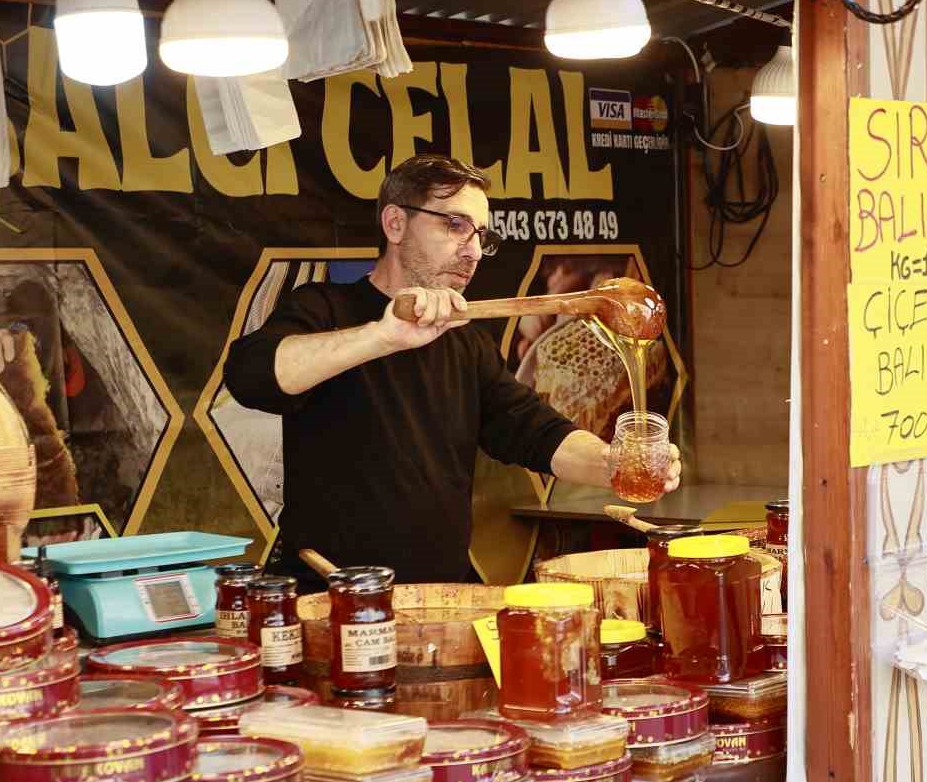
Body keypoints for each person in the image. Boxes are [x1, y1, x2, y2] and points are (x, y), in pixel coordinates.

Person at [225, 155, 680, 584]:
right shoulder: (324, 309)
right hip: (335, 599)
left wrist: (612, 464)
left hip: (441, 597)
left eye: (481, 234)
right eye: (456, 226)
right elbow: (252, 375)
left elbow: (533, 430)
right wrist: (383, 336)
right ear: (395, 223)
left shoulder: (465, 341)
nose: (474, 251)